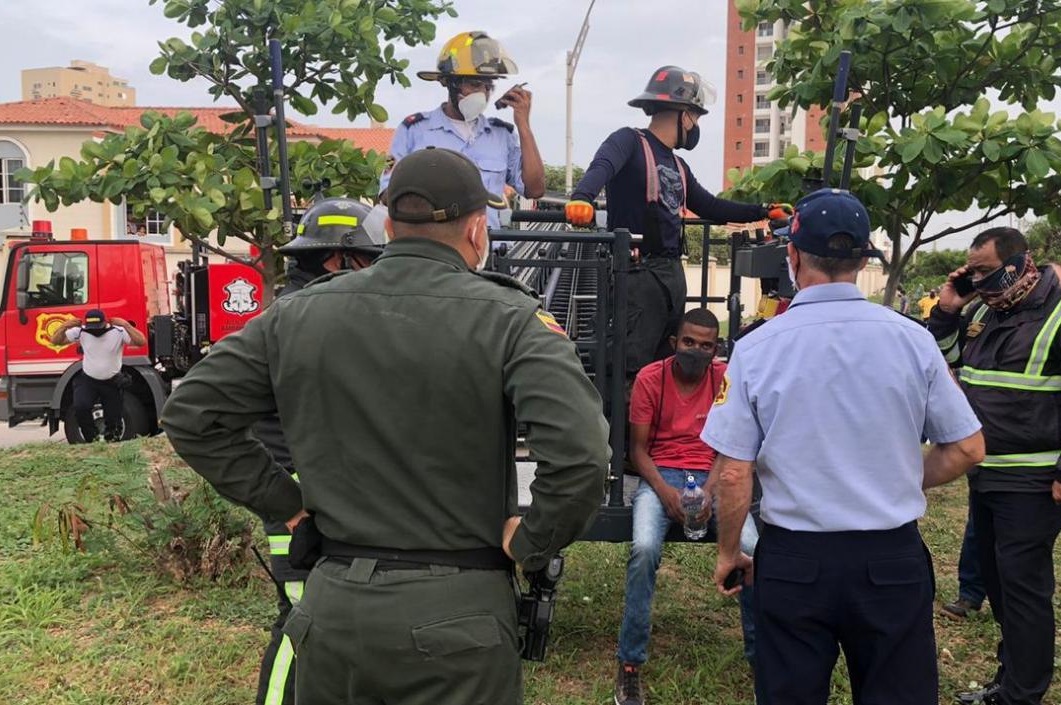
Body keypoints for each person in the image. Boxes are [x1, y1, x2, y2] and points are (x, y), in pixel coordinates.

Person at [161, 147, 610, 705]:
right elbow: (583, 454)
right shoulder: (512, 318)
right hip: (460, 617)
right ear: (477, 230)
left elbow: (191, 413)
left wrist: (286, 502)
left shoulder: (299, 313)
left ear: (391, 226)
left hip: (333, 610)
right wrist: (533, 540)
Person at [703, 188, 986, 705]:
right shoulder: (913, 339)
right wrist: (897, 476)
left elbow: (732, 472)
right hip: (891, 561)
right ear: (862, 260)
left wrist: (728, 552)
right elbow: (967, 448)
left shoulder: (757, 347)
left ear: (792, 256)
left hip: (794, 561)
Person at [931, 228, 1061, 705]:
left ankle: (1022, 694)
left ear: (1018, 264)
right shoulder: (986, 313)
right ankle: (1009, 680)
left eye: (984, 270)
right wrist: (950, 309)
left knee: (1022, 586)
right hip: (988, 473)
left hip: (1035, 479)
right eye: (971, 271)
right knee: (998, 582)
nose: (977, 280)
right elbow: (953, 364)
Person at [565, 66, 790, 376]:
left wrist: (763, 211)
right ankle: (623, 425)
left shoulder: (677, 164)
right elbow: (602, 166)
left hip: (671, 275)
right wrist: (582, 197)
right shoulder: (629, 142)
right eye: (696, 117)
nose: (695, 126)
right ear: (684, 115)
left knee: (664, 365)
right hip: (637, 275)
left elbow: (710, 206)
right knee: (631, 367)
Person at [250, 197, 386, 705]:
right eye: (372, 260)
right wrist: (285, 499)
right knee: (302, 623)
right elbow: (240, 421)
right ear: (339, 259)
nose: (377, 272)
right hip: (299, 502)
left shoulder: (311, 311)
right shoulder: (296, 321)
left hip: (316, 494)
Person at [615, 308, 759, 705]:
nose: (696, 350)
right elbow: (638, 451)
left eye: (706, 345)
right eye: (689, 342)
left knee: (752, 551)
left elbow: (730, 445)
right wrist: (666, 493)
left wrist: (712, 490)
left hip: (713, 474)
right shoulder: (651, 378)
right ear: (674, 342)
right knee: (644, 549)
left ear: (717, 349)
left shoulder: (723, 379)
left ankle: (761, 659)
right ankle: (630, 664)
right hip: (661, 475)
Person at [384, 31, 544, 227]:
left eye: (488, 86)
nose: (482, 93)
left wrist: (523, 125)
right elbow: (387, 193)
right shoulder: (414, 130)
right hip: (435, 248)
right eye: (474, 84)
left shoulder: (502, 135)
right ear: (449, 82)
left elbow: (534, 190)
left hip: (491, 248)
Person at [50, 309, 147, 442]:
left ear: (105, 322)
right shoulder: (81, 331)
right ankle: (91, 439)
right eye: (92, 328)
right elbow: (55, 341)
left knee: (114, 418)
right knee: (81, 407)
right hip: (88, 380)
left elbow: (141, 341)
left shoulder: (118, 332)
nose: (94, 331)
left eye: (97, 328)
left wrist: (126, 325)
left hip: (111, 381)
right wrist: (65, 326)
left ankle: (112, 440)